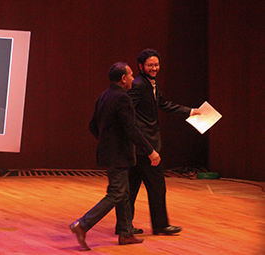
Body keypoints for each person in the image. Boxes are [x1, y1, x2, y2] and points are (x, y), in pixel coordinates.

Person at [70, 62, 161, 250]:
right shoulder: (122, 98)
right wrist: (150, 151)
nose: (132, 78)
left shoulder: (103, 96)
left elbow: (92, 126)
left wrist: (106, 141)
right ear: (123, 79)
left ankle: (125, 233)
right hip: (119, 155)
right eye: (130, 75)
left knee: (124, 193)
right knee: (117, 193)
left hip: (109, 152)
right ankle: (83, 224)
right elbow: (131, 129)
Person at [127, 48, 201, 235]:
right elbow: (126, 109)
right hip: (145, 145)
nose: (154, 68)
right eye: (150, 65)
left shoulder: (151, 83)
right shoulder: (138, 85)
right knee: (157, 186)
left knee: (132, 187)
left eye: (156, 64)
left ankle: (125, 225)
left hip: (139, 145)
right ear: (141, 66)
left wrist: (190, 111)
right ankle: (160, 226)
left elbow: (163, 104)